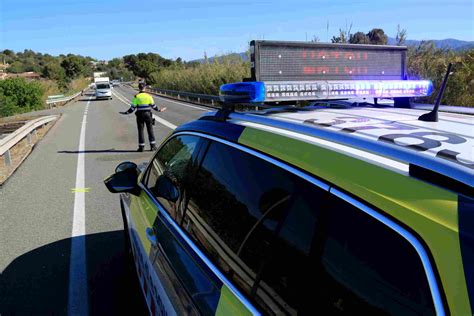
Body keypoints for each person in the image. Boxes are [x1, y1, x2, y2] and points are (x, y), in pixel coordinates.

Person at [120, 82, 166, 152]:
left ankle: (141, 147)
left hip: (139, 115)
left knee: (140, 131)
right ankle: (153, 146)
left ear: (139, 88)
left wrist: (126, 112)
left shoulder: (136, 96)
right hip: (148, 115)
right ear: (145, 88)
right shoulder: (149, 96)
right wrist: (159, 110)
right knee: (150, 130)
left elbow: (132, 108)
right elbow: (153, 106)